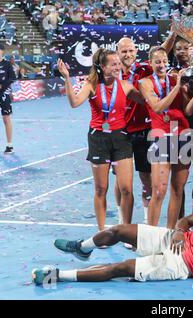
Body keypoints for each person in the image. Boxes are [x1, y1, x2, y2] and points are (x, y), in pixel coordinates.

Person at [32, 186, 193, 293]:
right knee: (119, 230)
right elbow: (186, 221)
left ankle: (57, 276)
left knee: (119, 268)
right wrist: (179, 232)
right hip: (176, 242)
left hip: (183, 266)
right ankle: (83, 248)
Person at [57, 48, 144, 231]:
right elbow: (74, 103)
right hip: (98, 140)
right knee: (101, 189)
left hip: (121, 138)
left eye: (118, 63)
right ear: (103, 67)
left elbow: (149, 102)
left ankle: (126, 230)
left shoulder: (126, 86)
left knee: (126, 188)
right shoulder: (91, 85)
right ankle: (102, 231)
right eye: (113, 64)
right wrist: (66, 78)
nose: (118, 67)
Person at [113, 33, 178, 227]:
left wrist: (173, 35)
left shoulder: (143, 70)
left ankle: (145, 220)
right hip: (121, 132)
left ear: (136, 52)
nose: (128, 54)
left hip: (143, 131)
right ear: (117, 53)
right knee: (121, 183)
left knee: (146, 180)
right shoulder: (112, 73)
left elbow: (162, 53)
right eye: (124, 51)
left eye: (131, 50)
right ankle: (122, 221)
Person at [138, 46, 193, 228]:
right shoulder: (145, 83)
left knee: (177, 190)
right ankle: (151, 236)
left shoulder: (175, 79)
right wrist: (177, 87)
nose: (161, 65)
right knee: (159, 191)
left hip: (183, 135)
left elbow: (188, 110)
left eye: (164, 61)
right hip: (161, 137)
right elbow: (158, 108)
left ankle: (170, 234)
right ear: (150, 63)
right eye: (157, 62)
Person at [167, 36, 193, 215]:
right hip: (179, 129)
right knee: (179, 180)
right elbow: (185, 108)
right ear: (174, 52)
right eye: (178, 49)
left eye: (186, 48)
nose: (182, 52)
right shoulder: (172, 75)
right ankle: (180, 219)